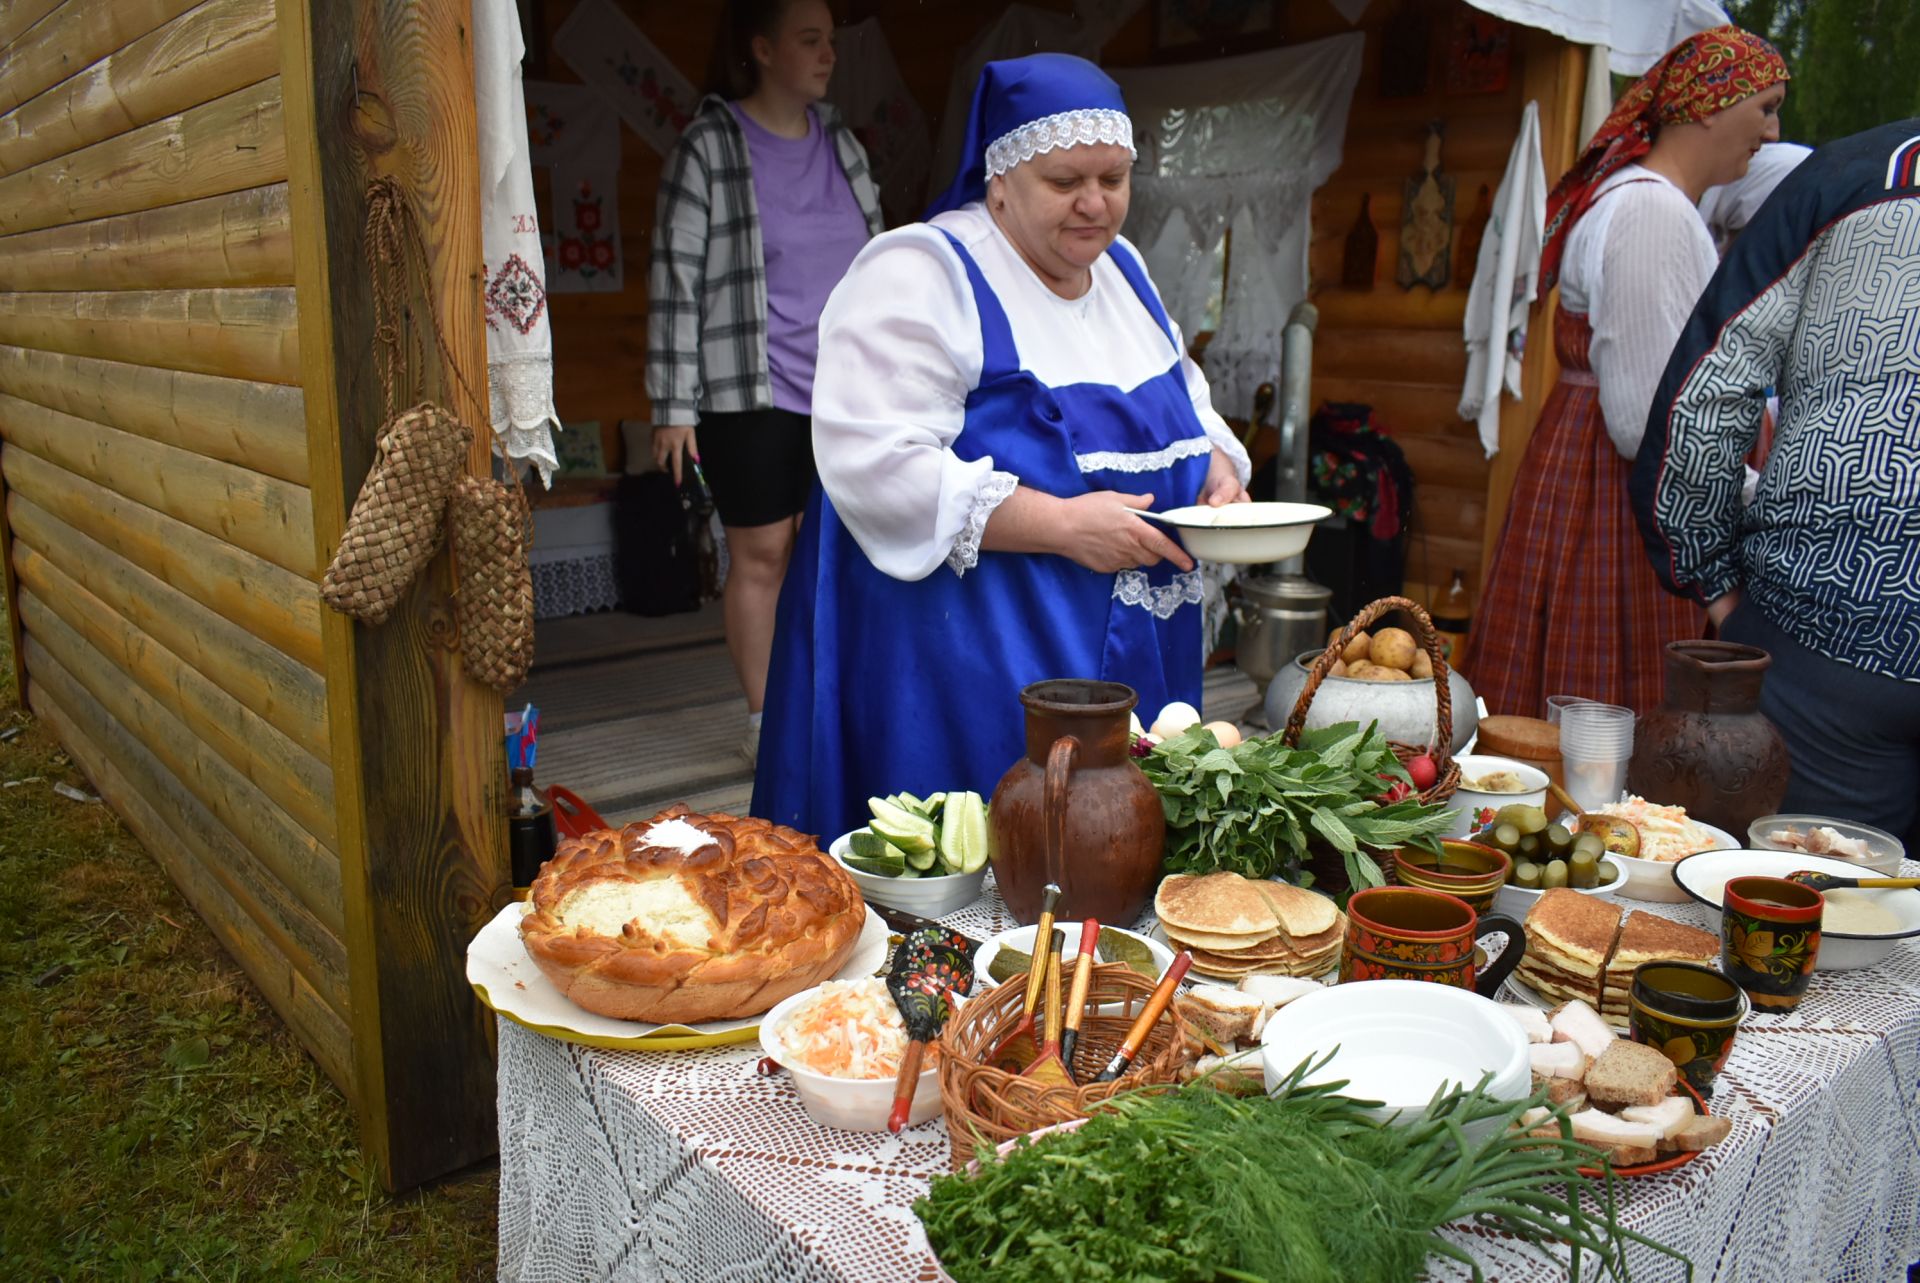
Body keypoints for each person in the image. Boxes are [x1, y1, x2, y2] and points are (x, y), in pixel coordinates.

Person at [752, 54, 1252, 841]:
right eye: (1064, 183)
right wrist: (1061, 525)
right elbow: (875, 461)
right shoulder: (924, 271)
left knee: (1117, 837)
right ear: (1000, 182)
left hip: (1131, 650)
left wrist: (1220, 467)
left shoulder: (1122, 268)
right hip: (972, 655)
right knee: (993, 847)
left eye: (1114, 179)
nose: (1096, 203)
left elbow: (1186, 396)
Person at [1472, 27, 1790, 718]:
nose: (1770, 131)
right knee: (1608, 705)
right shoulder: (1650, 211)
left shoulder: (1652, 203)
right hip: (1617, 501)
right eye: (1764, 108)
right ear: (1710, 105)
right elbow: (1644, 421)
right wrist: (1753, 494)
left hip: (1599, 482)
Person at [1632, 119, 1920, 848]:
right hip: (1830, 638)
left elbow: (1709, 388)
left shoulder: (1850, 173)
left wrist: (1712, 580)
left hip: (1830, 629)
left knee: (1802, 922)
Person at [647, 0, 884, 762]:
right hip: (748, 389)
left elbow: (883, 265)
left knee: (836, 553)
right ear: (761, 50)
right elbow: (675, 279)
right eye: (808, 41)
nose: (828, 54)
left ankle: (821, 699)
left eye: (830, 40)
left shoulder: (842, 143)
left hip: (846, 392)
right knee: (762, 554)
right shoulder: (710, 145)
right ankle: (764, 722)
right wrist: (672, 406)